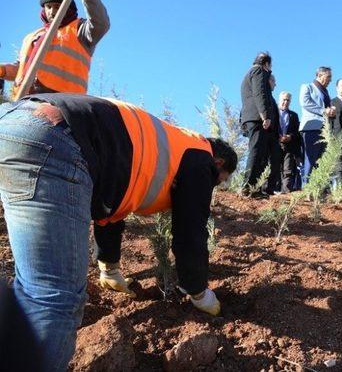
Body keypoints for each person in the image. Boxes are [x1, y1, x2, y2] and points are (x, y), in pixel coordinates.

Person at [0, 94, 237, 371]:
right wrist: (199, 292)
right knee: (52, 296)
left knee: (30, 286)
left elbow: (110, 207)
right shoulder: (200, 159)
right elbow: (190, 231)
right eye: (219, 182)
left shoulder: (163, 147)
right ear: (219, 163)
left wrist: (109, 268)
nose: (214, 186)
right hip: (56, 139)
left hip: (13, 121)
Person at [0, 0, 109, 98]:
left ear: (68, 8)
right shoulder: (32, 37)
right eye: (49, 6)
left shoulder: (79, 29)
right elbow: (20, 69)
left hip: (63, 103)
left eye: (57, 6)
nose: (52, 11)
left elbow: (101, 24)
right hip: (24, 101)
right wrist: (2, 70)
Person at [240, 52, 274, 196]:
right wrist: (264, 116)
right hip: (256, 118)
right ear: (266, 64)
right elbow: (259, 93)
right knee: (256, 152)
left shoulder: (249, 73)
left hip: (251, 118)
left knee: (259, 152)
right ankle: (248, 187)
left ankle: (255, 188)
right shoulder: (258, 71)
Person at [299, 66, 335, 183]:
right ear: (319, 75)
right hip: (311, 128)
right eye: (328, 76)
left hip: (325, 130)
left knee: (322, 161)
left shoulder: (326, 92)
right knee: (310, 159)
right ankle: (307, 189)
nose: (330, 80)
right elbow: (305, 102)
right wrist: (324, 110)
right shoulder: (307, 87)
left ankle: (319, 189)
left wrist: (331, 111)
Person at [276, 91, 302, 193]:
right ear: (279, 100)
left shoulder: (294, 116)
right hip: (275, 144)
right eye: (284, 100)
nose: (285, 102)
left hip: (289, 146)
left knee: (288, 169)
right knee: (274, 167)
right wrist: (277, 136)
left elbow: (297, 131)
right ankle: (271, 189)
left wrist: (290, 136)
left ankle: (286, 191)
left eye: (288, 100)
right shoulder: (273, 112)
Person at [264, 74, 282, 195]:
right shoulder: (262, 95)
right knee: (263, 162)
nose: (275, 84)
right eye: (274, 81)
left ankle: (269, 188)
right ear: (268, 81)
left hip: (274, 136)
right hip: (264, 134)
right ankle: (261, 188)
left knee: (275, 162)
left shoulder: (272, 98)